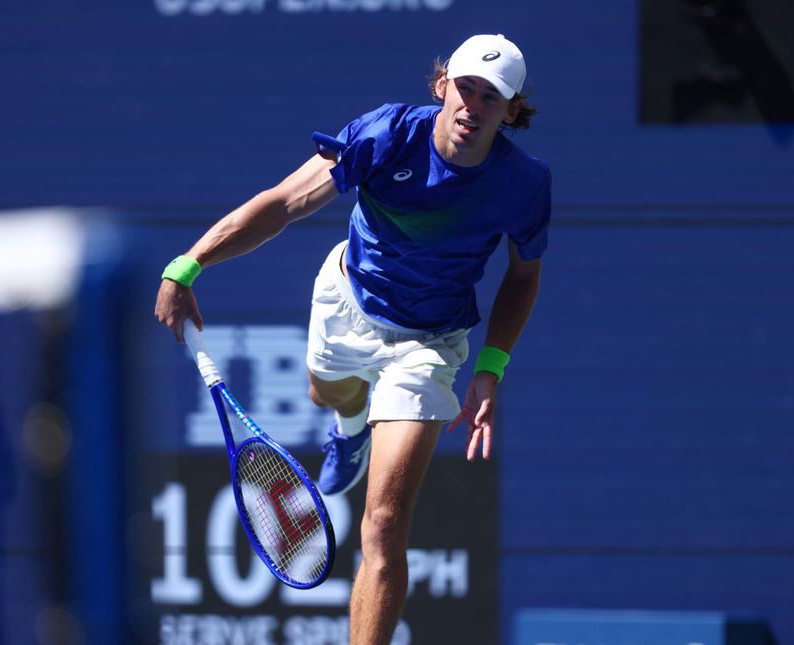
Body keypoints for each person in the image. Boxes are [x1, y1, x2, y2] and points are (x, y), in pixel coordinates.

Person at [155, 33, 551, 644]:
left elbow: (523, 277)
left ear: (511, 110)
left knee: (385, 523)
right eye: (465, 88)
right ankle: (349, 427)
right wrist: (189, 264)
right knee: (328, 395)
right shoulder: (385, 135)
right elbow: (285, 202)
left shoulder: (523, 186)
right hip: (347, 302)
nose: (473, 106)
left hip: (427, 346)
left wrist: (490, 368)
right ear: (443, 85)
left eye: (491, 98)